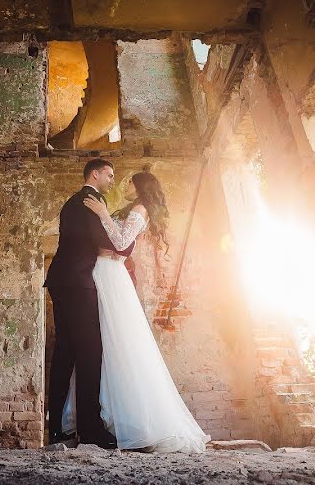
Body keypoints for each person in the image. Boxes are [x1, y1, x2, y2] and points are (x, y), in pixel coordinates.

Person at [61, 168, 210, 453]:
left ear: (140, 186)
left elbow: (122, 244)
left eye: (129, 181)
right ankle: (99, 421)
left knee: (118, 343)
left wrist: (104, 215)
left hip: (111, 275)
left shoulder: (140, 209)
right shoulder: (128, 208)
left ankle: (132, 423)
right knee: (99, 343)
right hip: (99, 271)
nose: (124, 184)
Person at [44, 158, 133, 448]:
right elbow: (111, 242)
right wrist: (114, 225)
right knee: (90, 353)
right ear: (94, 174)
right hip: (78, 283)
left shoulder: (73, 201)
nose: (111, 180)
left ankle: (57, 429)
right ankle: (90, 429)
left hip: (61, 280)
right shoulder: (91, 200)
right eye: (109, 174)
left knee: (65, 353)